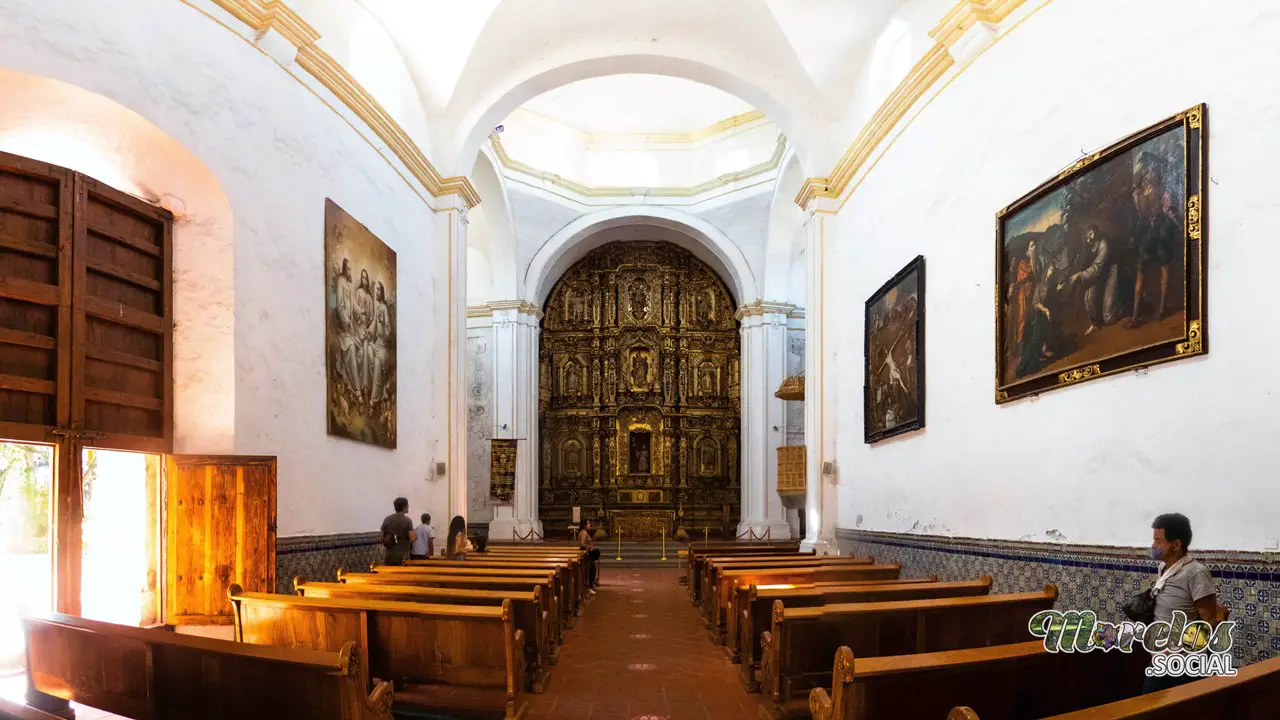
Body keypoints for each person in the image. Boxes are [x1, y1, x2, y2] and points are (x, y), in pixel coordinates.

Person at [1141, 512, 1220, 695]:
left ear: (1176, 545)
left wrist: (1178, 650)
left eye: (1158, 541)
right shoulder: (1164, 568)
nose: (1153, 546)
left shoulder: (1196, 573)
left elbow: (1209, 622)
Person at [379, 497, 416, 566]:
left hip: (389, 555)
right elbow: (413, 538)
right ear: (404, 507)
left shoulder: (387, 519)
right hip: (402, 556)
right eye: (407, 506)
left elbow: (381, 536)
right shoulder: (407, 520)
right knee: (402, 575)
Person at [578, 520, 599, 593]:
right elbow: (582, 544)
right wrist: (590, 547)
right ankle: (590, 586)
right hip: (586, 554)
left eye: (590, 523)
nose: (590, 525)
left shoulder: (583, 532)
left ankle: (591, 585)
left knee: (593, 568)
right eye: (588, 523)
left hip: (586, 553)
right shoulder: (584, 533)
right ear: (584, 525)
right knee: (591, 569)